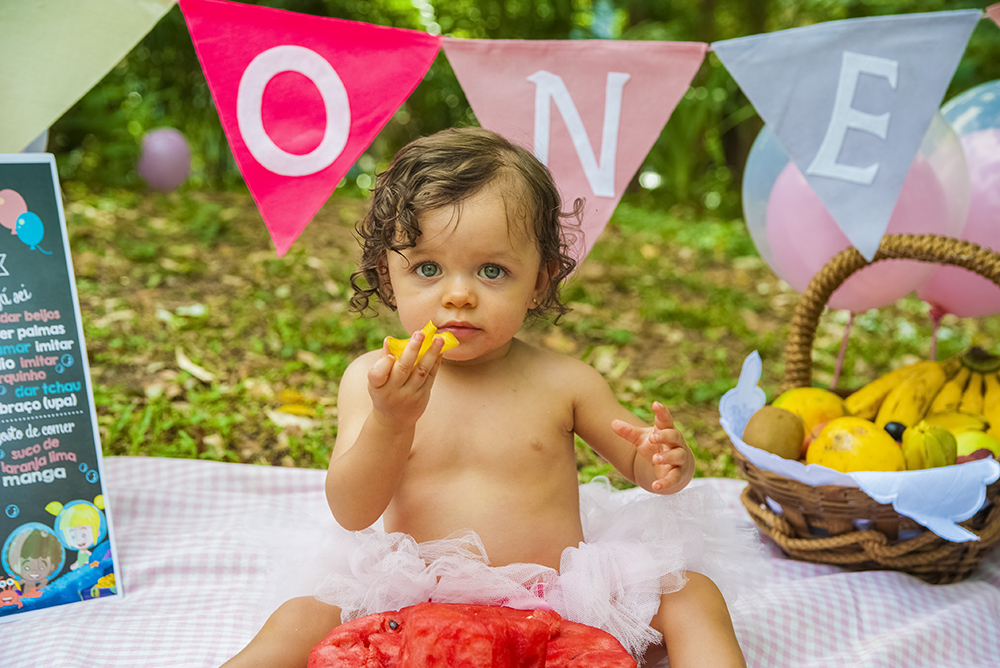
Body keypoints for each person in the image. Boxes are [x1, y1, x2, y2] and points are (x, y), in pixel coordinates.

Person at [224, 127, 754, 668]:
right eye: (428, 269)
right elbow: (353, 511)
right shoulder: (374, 380)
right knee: (297, 618)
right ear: (388, 275)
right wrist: (391, 420)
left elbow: (643, 465)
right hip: (410, 601)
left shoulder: (565, 381)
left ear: (541, 282)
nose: (459, 293)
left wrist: (665, 460)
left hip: (557, 602)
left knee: (692, 594)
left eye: (492, 270)